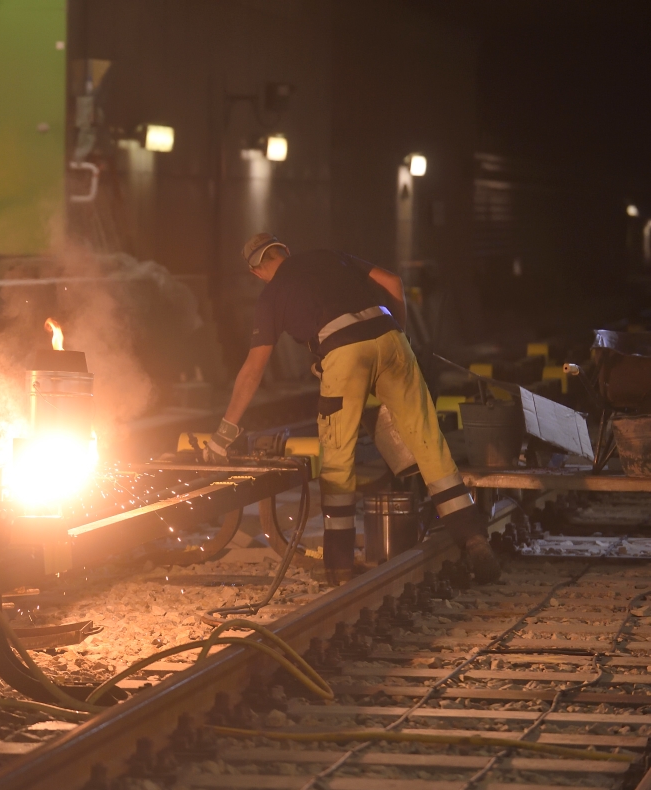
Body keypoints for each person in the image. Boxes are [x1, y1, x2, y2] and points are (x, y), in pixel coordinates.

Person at [206, 233, 500, 585]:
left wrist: (223, 435)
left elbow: (253, 371)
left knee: (338, 460)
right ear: (286, 250)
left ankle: (339, 567)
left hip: (344, 354)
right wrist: (398, 340)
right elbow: (393, 281)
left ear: (257, 272)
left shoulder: (271, 295)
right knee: (429, 443)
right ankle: (474, 539)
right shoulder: (328, 253)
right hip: (390, 336)